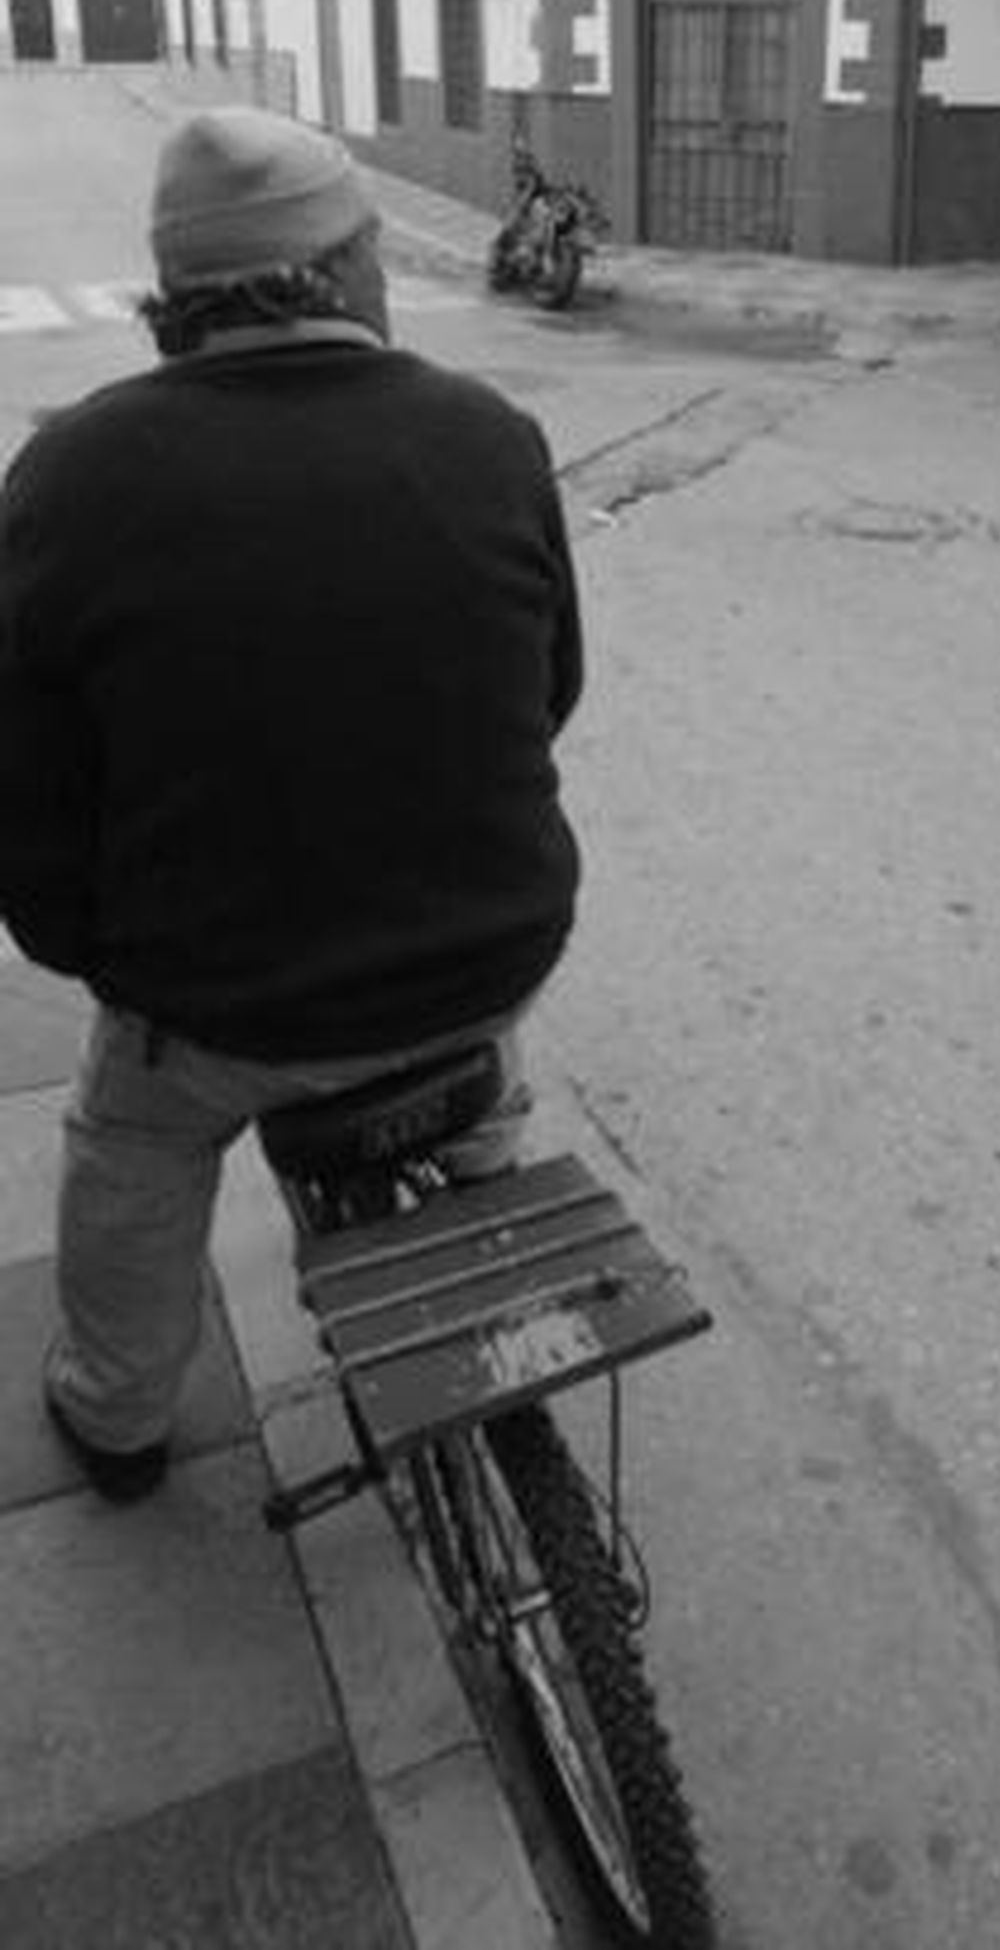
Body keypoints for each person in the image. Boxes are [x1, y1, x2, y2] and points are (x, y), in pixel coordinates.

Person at [0, 105, 583, 1503]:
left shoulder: (69, 478)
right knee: (475, 1037)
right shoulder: (490, 436)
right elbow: (552, 688)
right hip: (483, 953)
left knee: (128, 1143)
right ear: (336, 270)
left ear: (180, 296)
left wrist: (98, 954)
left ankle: (118, 1415)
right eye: (371, 246)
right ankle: (481, 1173)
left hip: (219, 1004)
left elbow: (28, 787)